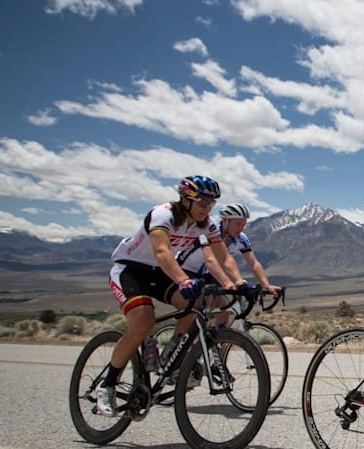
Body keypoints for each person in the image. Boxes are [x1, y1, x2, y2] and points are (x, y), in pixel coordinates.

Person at [97, 175, 240, 416]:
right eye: (203, 203)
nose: (208, 208)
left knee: (195, 302)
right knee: (142, 324)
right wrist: (183, 280)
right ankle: (107, 385)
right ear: (186, 199)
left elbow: (223, 257)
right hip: (131, 270)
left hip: (160, 272)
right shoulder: (163, 215)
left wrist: (239, 283)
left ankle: (173, 353)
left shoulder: (208, 224)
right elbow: (161, 251)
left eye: (212, 203)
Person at [176, 202, 283, 333]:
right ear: (225, 221)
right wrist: (230, 283)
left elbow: (253, 263)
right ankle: (177, 344)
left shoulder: (241, 239)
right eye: (238, 224)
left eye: (244, 224)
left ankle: (218, 347)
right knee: (193, 310)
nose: (241, 228)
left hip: (208, 274)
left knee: (225, 310)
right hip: (186, 272)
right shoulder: (209, 233)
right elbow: (211, 261)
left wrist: (267, 285)